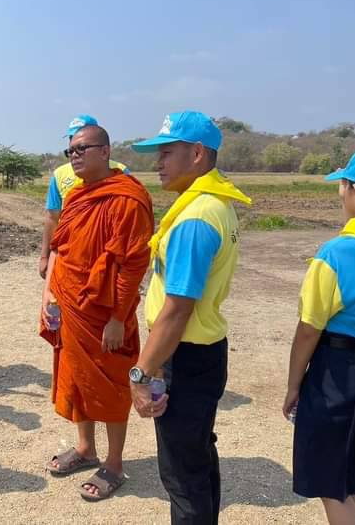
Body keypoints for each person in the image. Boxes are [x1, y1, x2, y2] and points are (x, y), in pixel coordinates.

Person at [128, 111, 252, 524]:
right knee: (197, 457)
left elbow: (177, 310)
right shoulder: (215, 205)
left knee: (182, 474)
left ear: (197, 153)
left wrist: (141, 374)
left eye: (166, 153)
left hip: (184, 355)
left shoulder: (195, 219)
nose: (158, 163)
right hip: (203, 350)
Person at [41, 124, 154, 501]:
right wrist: (51, 294)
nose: (74, 156)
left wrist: (119, 317)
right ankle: (86, 448)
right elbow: (61, 247)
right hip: (71, 306)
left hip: (106, 313)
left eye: (82, 149)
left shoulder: (128, 198)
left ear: (105, 151)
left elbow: (132, 264)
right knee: (77, 378)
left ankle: (115, 463)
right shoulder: (76, 195)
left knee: (111, 384)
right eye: (70, 151)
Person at [282, 145, 355, 524]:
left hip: (337, 375)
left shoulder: (336, 254)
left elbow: (308, 329)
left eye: (343, 185)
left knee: (331, 482)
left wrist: (294, 385)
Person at [38, 115, 129, 278]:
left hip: (107, 258)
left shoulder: (121, 173)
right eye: (71, 139)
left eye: (82, 146)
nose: (75, 151)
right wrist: (45, 256)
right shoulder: (59, 175)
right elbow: (53, 218)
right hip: (69, 256)